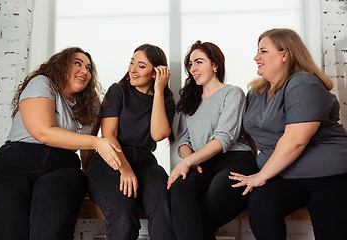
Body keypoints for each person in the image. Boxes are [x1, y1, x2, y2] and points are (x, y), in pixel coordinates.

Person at [0, 47, 120, 240]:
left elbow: (85, 152)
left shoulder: (91, 105)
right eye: (77, 63)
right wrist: (97, 142)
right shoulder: (42, 83)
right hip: (14, 163)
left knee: (51, 233)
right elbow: (43, 132)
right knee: (8, 233)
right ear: (61, 65)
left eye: (89, 68)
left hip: (63, 168)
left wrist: (89, 181)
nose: (84, 70)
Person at [229, 28, 347, 240]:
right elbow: (247, 134)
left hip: (329, 177)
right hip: (284, 177)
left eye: (263, 51)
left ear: (285, 54)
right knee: (261, 209)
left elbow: (296, 141)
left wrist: (260, 176)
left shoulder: (304, 83)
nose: (256, 57)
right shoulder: (256, 92)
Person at [167, 40, 258, 240]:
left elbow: (224, 137)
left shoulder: (232, 93)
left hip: (234, 160)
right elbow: (183, 140)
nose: (193, 68)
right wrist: (190, 163)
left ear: (215, 65)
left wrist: (188, 162)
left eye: (199, 62)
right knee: (179, 188)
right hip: (201, 164)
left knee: (196, 217)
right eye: (190, 64)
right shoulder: (189, 100)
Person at [86, 44, 177, 240]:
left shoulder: (166, 101)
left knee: (164, 210)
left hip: (146, 163)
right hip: (111, 159)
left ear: (156, 73)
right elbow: (108, 134)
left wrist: (159, 91)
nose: (132, 69)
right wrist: (124, 169)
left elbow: (158, 134)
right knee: (124, 216)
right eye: (132, 62)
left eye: (141, 66)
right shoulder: (118, 91)